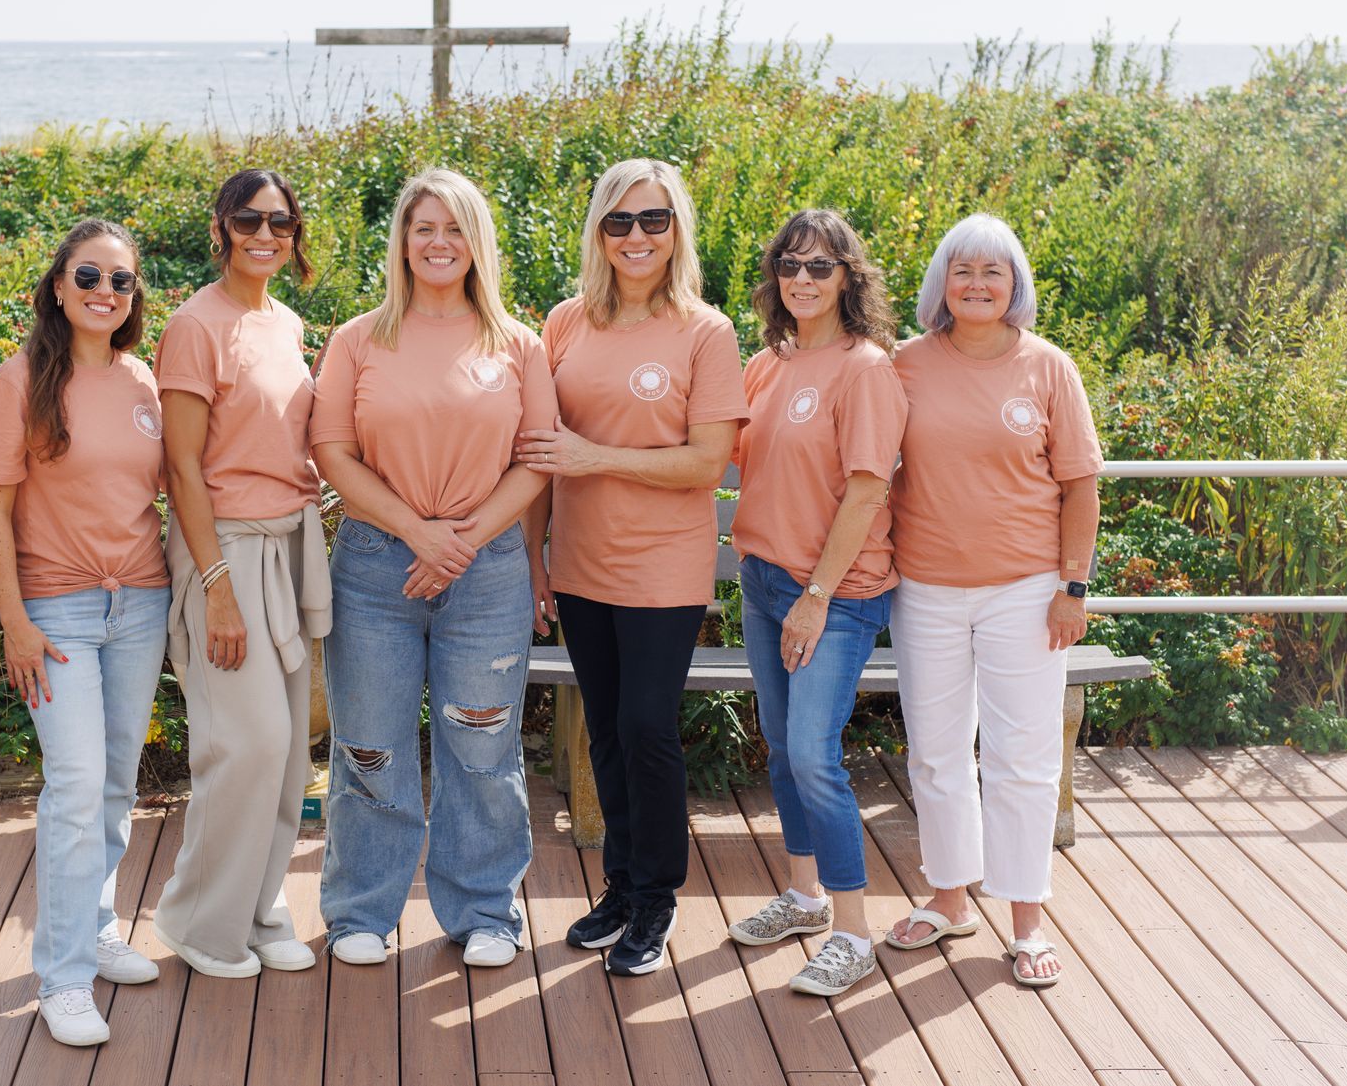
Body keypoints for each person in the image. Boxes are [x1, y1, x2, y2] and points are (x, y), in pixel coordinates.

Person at [311, 167, 556, 968]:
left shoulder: (518, 344)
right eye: (424, 228)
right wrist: (418, 531)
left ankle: (485, 909)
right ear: (403, 241)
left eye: (454, 228)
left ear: (477, 241)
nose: (438, 243)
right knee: (369, 744)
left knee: (482, 747)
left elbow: (537, 459)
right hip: (379, 566)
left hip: (484, 571)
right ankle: (360, 912)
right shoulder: (359, 338)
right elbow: (332, 452)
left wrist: (461, 538)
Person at [513, 158, 747, 976]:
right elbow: (543, 455)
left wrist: (596, 456)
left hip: (663, 568)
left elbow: (707, 464)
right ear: (599, 233)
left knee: (648, 728)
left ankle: (657, 896)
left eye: (653, 220)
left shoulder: (706, 332)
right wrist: (536, 556)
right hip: (579, 564)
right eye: (620, 221)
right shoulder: (565, 321)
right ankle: (619, 884)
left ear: (677, 228)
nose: (637, 236)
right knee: (606, 730)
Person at [883, 213, 1100, 989]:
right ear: (941, 282)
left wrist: (1072, 585)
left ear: (1016, 286)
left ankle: (1025, 916)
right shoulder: (903, 364)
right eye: (962, 270)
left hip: (1027, 590)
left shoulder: (1048, 367)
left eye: (993, 271)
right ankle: (949, 897)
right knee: (937, 750)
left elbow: (1079, 484)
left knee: (1024, 758)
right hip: (926, 589)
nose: (976, 283)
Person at [0, 219, 169, 1045]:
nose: (104, 293)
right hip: (56, 611)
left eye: (121, 282)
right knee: (77, 783)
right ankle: (61, 976)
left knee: (116, 781)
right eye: (89, 276)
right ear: (58, 285)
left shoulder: (142, 380)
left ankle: (94, 925)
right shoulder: (18, 382)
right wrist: (12, 619)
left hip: (141, 604)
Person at [151, 170, 332, 979]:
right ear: (221, 225)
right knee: (246, 742)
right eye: (250, 219)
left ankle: (261, 909)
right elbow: (182, 469)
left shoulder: (284, 320)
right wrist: (216, 585)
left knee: (290, 748)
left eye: (282, 220)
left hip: (291, 544)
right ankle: (197, 917)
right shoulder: (196, 324)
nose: (267, 233)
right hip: (225, 547)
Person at [722, 210, 907, 998]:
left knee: (812, 754)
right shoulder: (769, 363)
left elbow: (868, 488)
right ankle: (803, 897)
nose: (802, 278)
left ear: (849, 278)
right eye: (789, 265)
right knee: (778, 744)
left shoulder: (864, 368)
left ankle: (853, 932)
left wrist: (817, 596)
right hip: (763, 580)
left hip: (834, 592)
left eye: (820, 267)